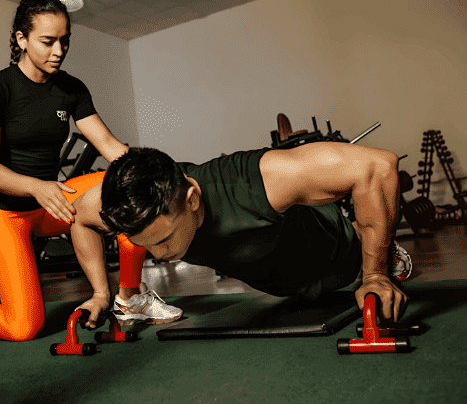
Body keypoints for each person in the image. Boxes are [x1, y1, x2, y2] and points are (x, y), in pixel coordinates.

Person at [0, 0, 182, 341]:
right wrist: (36, 186)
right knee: (23, 327)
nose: (59, 50)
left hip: (54, 202)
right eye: (48, 41)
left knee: (127, 188)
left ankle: (129, 298)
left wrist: (161, 171)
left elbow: (109, 146)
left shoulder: (70, 89)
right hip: (5, 213)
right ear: (21, 39)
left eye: (65, 41)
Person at [69, 141, 412, 329]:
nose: (159, 255)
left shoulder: (259, 181)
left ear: (192, 200)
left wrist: (376, 274)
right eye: (148, 245)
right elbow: (80, 220)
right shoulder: (125, 203)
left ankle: (387, 255)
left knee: (360, 261)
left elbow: (379, 166)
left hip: (339, 256)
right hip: (284, 287)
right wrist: (101, 293)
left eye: (165, 240)